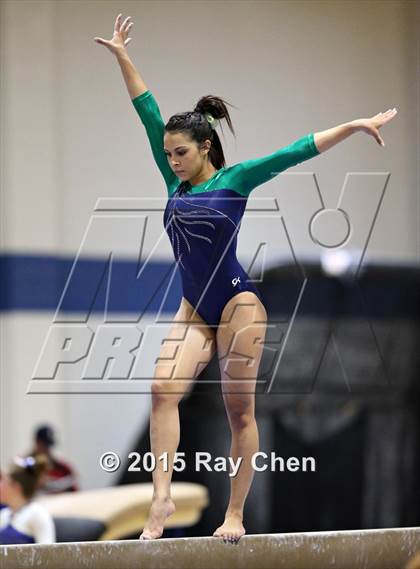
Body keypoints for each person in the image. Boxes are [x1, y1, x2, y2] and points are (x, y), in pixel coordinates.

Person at [94, 13, 397, 543]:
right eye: (168, 154)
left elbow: (294, 152)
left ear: (205, 147)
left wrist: (352, 125)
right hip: (194, 306)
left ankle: (234, 514)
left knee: (239, 412)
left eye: (181, 153)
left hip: (238, 304)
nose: (172, 161)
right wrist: (123, 57)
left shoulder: (237, 180)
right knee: (163, 389)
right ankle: (161, 497)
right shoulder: (174, 183)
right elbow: (146, 111)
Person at [0, 454, 56, 544]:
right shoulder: (4, 515)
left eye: (3, 482)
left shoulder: (38, 514)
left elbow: (49, 554)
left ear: (16, 487)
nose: (0, 486)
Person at [30, 424, 78, 495]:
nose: (47, 449)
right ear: (37, 443)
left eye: (49, 446)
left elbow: (75, 493)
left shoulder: (63, 468)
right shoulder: (25, 466)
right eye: (44, 445)